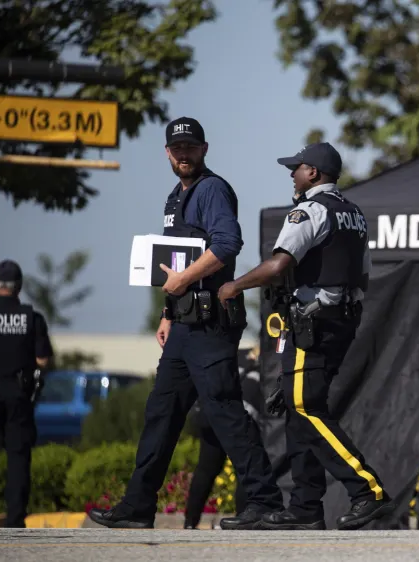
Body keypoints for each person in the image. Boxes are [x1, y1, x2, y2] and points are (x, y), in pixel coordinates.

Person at [88, 117, 283, 530]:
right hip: (183, 325)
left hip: (210, 325)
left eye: (191, 148)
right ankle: (138, 507)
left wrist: (184, 281)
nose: (184, 155)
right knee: (161, 413)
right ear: (167, 153)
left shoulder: (212, 189)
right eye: (177, 149)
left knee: (225, 411)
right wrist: (166, 311)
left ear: (204, 149)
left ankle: (265, 503)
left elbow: (228, 244)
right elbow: (174, 262)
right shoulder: (174, 198)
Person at [218, 142, 392, 531]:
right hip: (340, 322)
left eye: (296, 168)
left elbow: (279, 265)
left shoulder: (310, 210)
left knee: (307, 409)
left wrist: (233, 287)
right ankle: (305, 507)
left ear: (313, 173)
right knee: (299, 410)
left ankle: (368, 491)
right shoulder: (355, 214)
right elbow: (362, 275)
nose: (291, 173)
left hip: (311, 323)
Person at [0, 260, 53, 528]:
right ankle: (16, 516)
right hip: (18, 393)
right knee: (18, 456)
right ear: (19, 286)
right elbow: (43, 359)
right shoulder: (31, 317)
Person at [183, 346, 262, 529]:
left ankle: (190, 521)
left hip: (212, 414)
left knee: (206, 469)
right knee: (245, 470)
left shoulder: (237, 354)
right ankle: (242, 518)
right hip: (240, 418)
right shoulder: (265, 362)